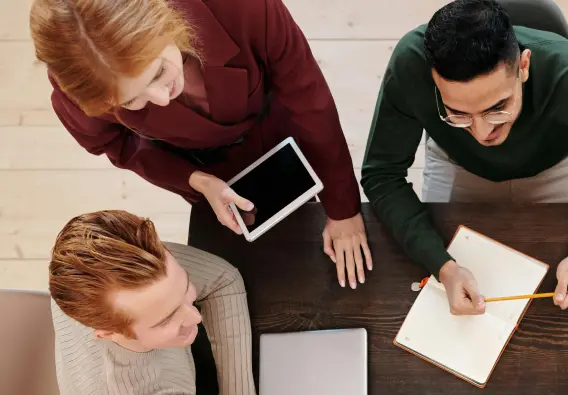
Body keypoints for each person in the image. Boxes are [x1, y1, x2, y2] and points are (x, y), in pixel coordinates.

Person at [30, 0, 371, 289]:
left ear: (165, 20)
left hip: (274, 129)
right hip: (199, 164)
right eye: (132, 101)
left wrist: (343, 210)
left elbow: (308, 100)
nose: (162, 99)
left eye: (158, 73)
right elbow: (117, 145)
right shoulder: (79, 83)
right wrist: (194, 179)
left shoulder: (242, 8)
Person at [361, 0, 568, 315]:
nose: (482, 133)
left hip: (560, 163)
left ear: (524, 66)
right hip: (458, 161)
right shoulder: (410, 63)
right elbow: (382, 174)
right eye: (458, 113)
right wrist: (443, 266)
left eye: (497, 107)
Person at [48, 210, 255, 395]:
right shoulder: (152, 393)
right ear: (107, 333)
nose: (196, 317)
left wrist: (236, 393)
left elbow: (223, 279)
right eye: (166, 319)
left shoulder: (97, 268)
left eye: (185, 287)